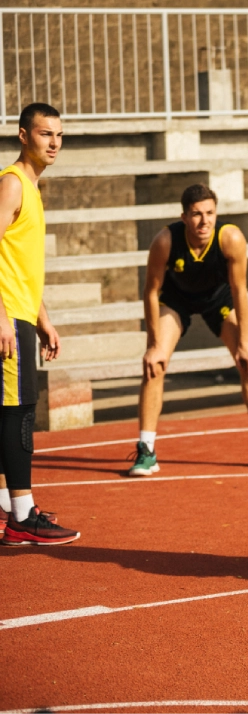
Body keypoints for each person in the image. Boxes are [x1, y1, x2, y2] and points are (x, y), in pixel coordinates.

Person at [128, 183, 248, 476]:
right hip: (176, 300)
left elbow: (240, 289)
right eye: (196, 214)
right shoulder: (165, 241)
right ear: (183, 217)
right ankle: (146, 450)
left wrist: (246, 341)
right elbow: (151, 292)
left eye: (210, 213)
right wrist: (153, 344)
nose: (204, 221)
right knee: (155, 364)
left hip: (220, 299)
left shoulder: (231, 238)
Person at [0, 102, 78, 546]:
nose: (54, 143)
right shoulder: (12, 185)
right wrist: (3, 318)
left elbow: (19, 264)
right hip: (7, 316)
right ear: (24, 136)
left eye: (59, 135)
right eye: (45, 134)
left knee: (9, 412)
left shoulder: (31, 187)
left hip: (20, 313)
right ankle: (22, 515)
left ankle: (7, 507)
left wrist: (43, 318)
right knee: (19, 413)